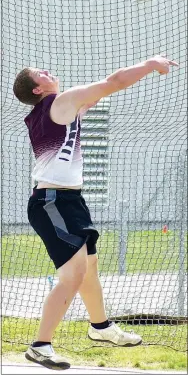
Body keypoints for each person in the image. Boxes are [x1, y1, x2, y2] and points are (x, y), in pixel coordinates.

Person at [13, 55, 179, 371]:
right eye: (41, 73)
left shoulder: (58, 110)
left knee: (89, 266)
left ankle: (100, 326)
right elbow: (112, 83)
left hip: (70, 201)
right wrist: (149, 65)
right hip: (52, 203)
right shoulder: (57, 103)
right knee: (73, 274)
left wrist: (115, 84)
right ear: (37, 90)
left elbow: (101, 92)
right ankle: (40, 345)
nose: (49, 70)